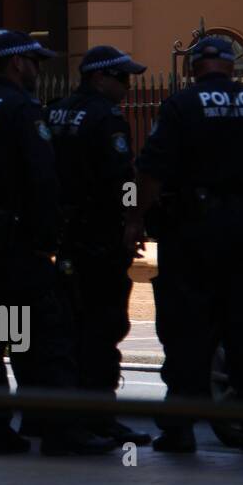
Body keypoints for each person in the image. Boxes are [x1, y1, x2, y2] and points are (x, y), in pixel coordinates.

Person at [125, 36, 243, 452]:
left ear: (193, 67)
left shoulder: (181, 106)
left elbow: (152, 170)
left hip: (194, 231)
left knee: (187, 329)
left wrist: (135, 219)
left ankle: (180, 429)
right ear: (233, 67)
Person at [0, 29, 116, 456]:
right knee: (47, 336)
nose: (36, 69)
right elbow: (42, 176)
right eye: (33, 61)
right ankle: (58, 428)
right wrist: (48, 235)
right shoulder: (21, 108)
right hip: (17, 247)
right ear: (15, 63)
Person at [46, 46, 152, 445]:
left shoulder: (53, 111)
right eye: (121, 78)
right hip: (99, 237)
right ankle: (98, 417)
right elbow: (121, 178)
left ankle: (66, 417)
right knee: (103, 326)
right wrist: (132, 220)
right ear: (98, 77)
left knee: (68, 328)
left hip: (64, 236)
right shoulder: (106, 119)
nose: (127, 87)